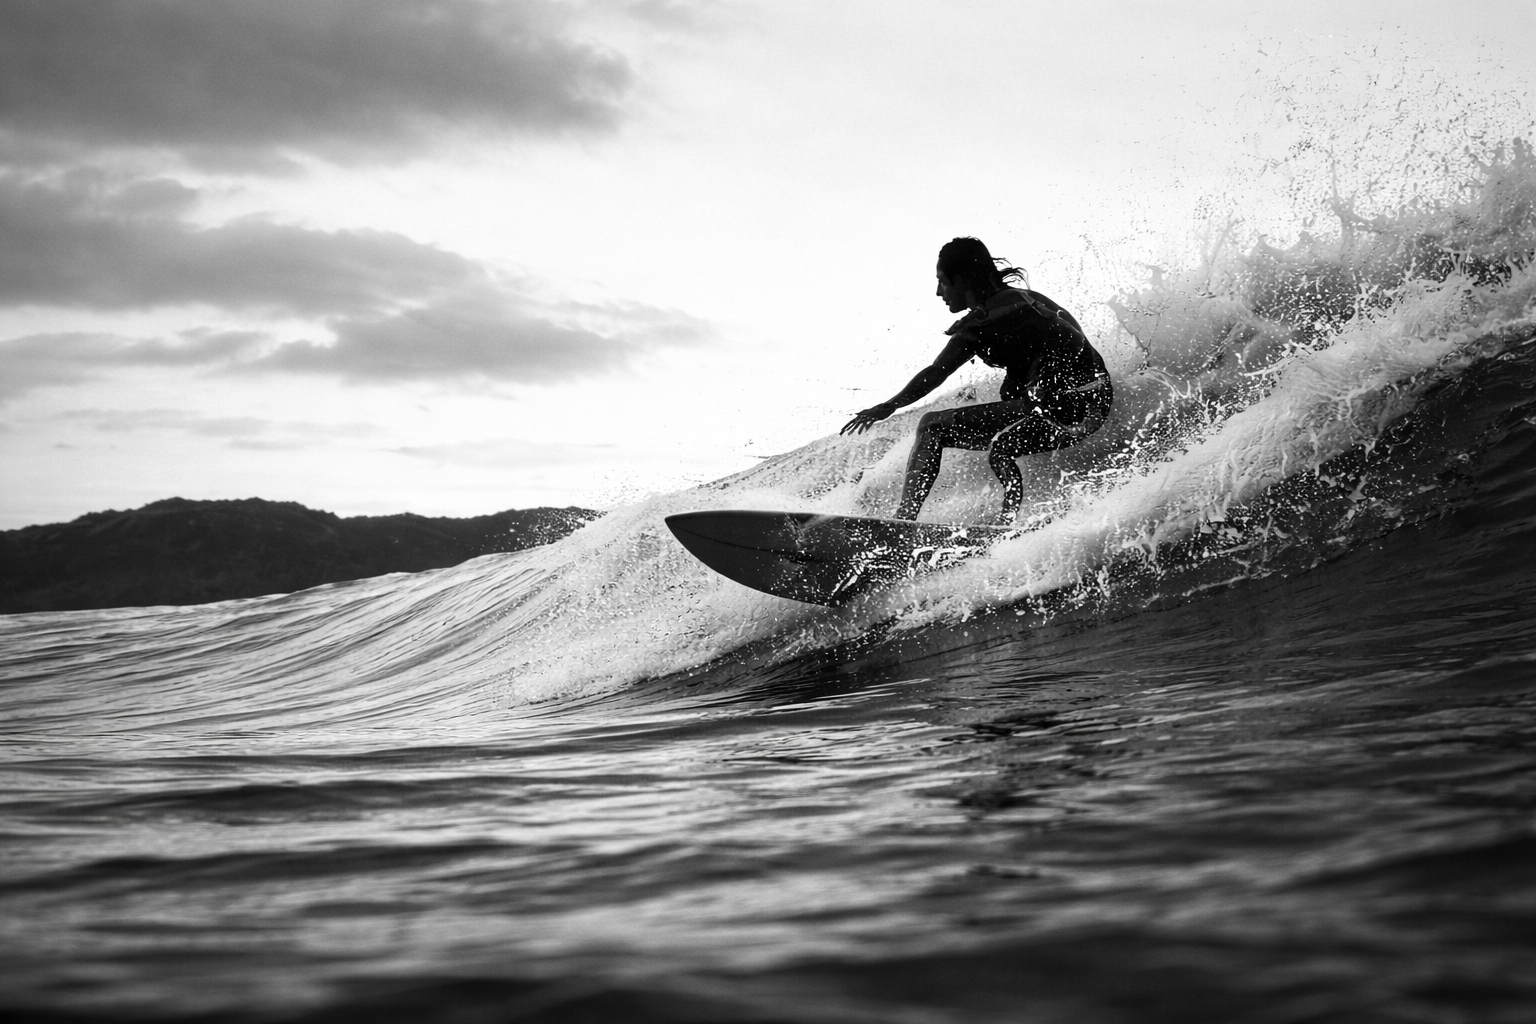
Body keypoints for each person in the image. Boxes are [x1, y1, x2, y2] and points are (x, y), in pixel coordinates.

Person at [842, 237, 1113, 523]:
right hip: (1091, 401)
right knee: (1002, 432)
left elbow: (938, 371)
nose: (938, 292)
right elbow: (937, 372)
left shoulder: (997, 314)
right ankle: (1007, 523)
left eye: (943, 282)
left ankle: (904, 519)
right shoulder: (1010, 309)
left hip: (1067, 404)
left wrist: (888, 406)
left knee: (932, 426)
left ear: (963, 280)